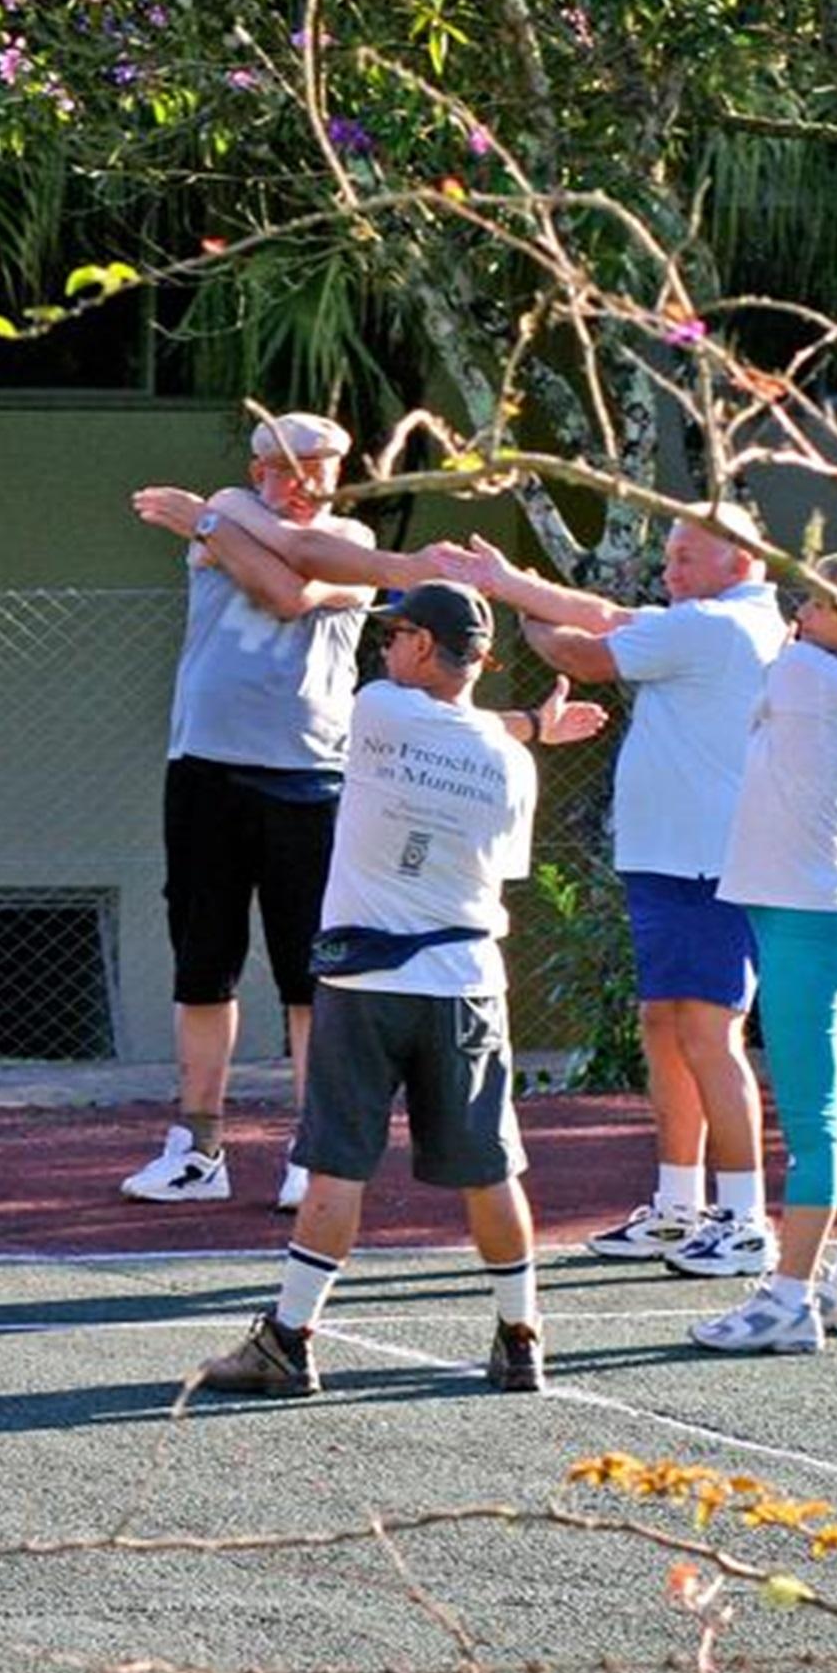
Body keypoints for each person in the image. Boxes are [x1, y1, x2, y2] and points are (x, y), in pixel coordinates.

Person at [190, 582, 606, 1401]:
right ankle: (521, 1339)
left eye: (397, 633)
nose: (383, 647)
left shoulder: (379, 708)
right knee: (490, 1170)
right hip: (467, 983)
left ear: (423, 647)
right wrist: (532, 729)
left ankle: (289, 1341)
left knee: (336, 1164)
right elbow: (496, 839)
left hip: (367, 982)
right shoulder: (511, 760)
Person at [120, 412, 466, 1213]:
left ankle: (314, 1154)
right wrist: (216, 522)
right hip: (206, 769)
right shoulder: (231, 508)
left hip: (311, 775)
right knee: (203, 965)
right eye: (285, 467)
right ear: (257, 469)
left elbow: (290, 583)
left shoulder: (340, 538)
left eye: (319, 468)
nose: (302, 484)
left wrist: (210, 525)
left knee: (314, 976)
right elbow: (275, 578)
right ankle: (199, 1149)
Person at [451, 509, 785, 1278]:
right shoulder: (706, 618)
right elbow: (611, 615)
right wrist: (507, 582)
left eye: (686, 558)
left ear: (741, 563)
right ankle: (678, 1207)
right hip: (672, 861)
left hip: (707, 864)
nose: (670, 572)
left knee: (707, 1035)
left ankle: (743, 1219)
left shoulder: (715, 627)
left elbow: (586, 649)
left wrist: (516, 604)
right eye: (669, 557)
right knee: (664, 1026)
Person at [693, 551, 837, 1354]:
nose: (804, 605)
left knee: (816, 1121)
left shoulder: (803, 675)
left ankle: (789, 1298)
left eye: (823, 597)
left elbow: (732, 633)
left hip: (804, 923)